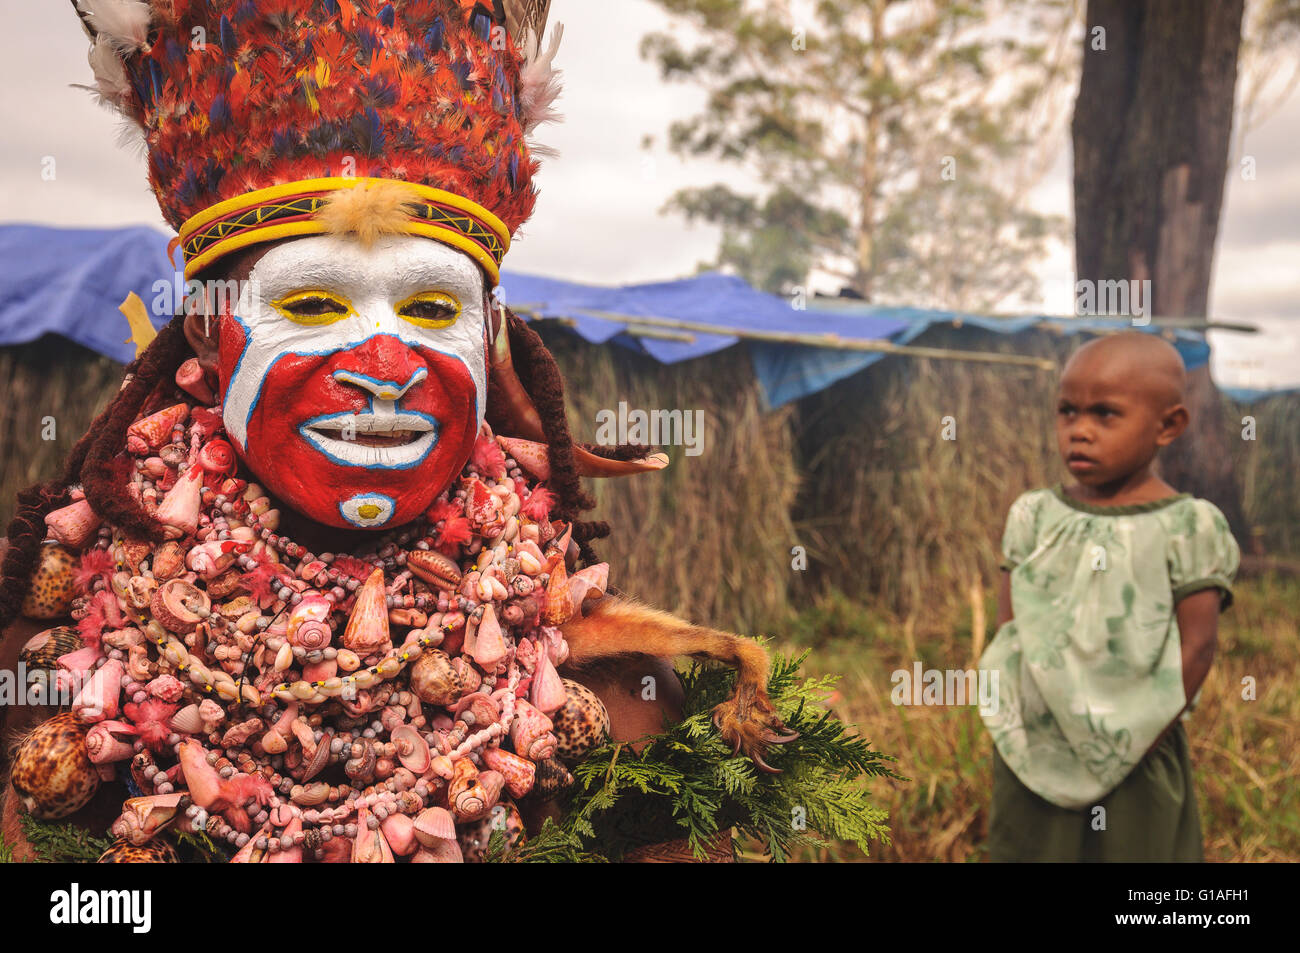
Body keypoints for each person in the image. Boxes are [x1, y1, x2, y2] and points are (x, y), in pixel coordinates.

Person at [0, 0, 794, 863]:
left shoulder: (608, 691)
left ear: (487, 340)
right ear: (205, 333)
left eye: (428, 307)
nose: (384, 361)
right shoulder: (48, 657)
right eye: (312, 302)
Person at [980, 331, 1240, 862]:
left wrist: (1130, 738)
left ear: (1169, 425)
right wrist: (1018, 720)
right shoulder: (1034, 517)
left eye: (1105, 415)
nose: (1079, 432)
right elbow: (1010, 634)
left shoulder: (1188, 527)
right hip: (1036, 747)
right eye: (1067, 412)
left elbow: (1199, 648)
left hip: (1139, 748)